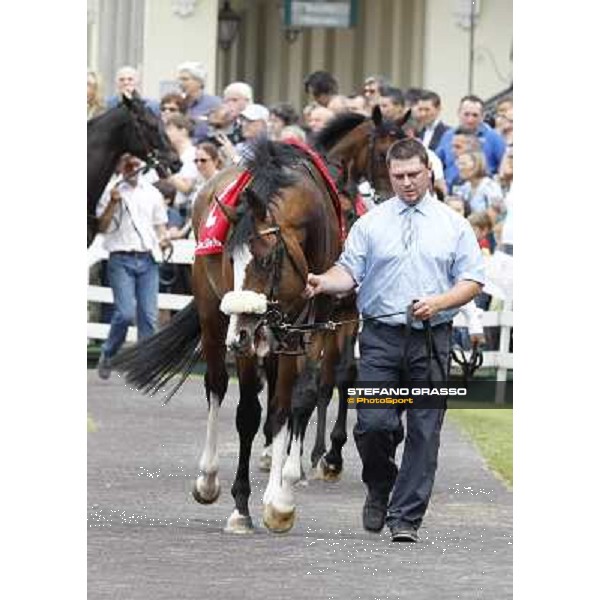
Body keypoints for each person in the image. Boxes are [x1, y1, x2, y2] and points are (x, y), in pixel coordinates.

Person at [304, 138, 484, 542]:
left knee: (424, 431)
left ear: (429, 173)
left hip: (432, 339)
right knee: (372, 425)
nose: (406, 183)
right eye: (398, 176)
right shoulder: (371, 223)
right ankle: (380, 487)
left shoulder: (454, 225)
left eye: (413, 175)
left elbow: (472, 280)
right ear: (389, 176)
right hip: (381, 339)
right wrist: (322, 282)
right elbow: (347, 272)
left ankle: (405, 518)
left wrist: (440, 303)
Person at [96, 154, 170, 380]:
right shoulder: (110, 190)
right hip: (120, 257)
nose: (133, 168)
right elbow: (101, 226)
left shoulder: (153, 192)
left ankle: (144, 366)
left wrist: (164, 238)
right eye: (128, 164)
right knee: (125, 313)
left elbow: (160, 225)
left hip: (147, 258)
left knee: (148, 316)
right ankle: (108, 352)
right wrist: (112, 202)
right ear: (120, 166)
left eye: (137, 164)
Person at [436, 95, 506, 190]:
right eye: (466, 114)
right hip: (450, 192)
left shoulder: (494, 137)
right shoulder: (448, 136)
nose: (470, 120)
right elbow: (437, 164)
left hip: (480, 193)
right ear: (458, 113)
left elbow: (504, 168)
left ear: (482, 116)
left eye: (475, 115)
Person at [164, 113, 200, 219]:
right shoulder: (174, 155)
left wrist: (166, 174)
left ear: (183, 131)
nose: (166, 133)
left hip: (187, 211)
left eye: (170, 129)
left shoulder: (192, 154)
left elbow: (186, 187)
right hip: (174, 210)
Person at [177, 61, 221, 143]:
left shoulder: (215, 104)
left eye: (185, 79)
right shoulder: (177, 103)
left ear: (200, 81)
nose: (180, 83)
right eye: (179, 79)